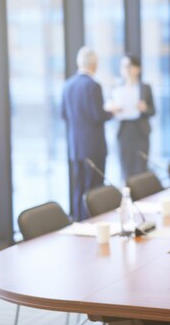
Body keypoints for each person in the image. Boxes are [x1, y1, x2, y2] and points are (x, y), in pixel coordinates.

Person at [61, 46, 114, 221]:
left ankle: (78, 221)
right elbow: (98, 115)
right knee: (94, 189)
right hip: (93, 147)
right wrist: (112, 111)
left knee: (79, 187)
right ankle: (93, 222)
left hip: (75, 146)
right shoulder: (93, 85)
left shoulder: (68, 85)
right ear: (95, 64)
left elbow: (63, 114)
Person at [109, 54, 156, 181]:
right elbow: (109, 110)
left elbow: (153, 111)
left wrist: (145, 108)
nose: (126, 69)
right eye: (123, 66)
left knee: (141, 167)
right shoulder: (116, 88)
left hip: (140, 131)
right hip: (124, 131)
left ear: (137, 68)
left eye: (129, 66)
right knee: (126, 169)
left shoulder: (145, 88)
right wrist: (113, 109)